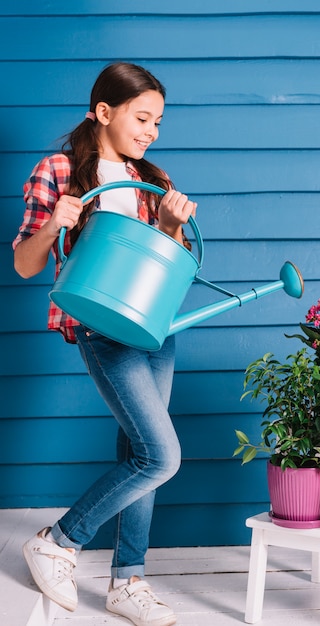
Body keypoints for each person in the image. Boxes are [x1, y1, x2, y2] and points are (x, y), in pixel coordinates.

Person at [13, 62, 197, 626]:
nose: (151, 131)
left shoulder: (151, 178)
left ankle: (127, 582)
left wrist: (169, 227)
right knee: (160, 456)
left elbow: (163, 268)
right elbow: (25, 265)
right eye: (142, 117)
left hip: (155, 330)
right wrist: (54, 225)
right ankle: (59, 540)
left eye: (158, 121)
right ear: (104, 112)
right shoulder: (61, 170)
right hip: (101, 327)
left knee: (138, 453)